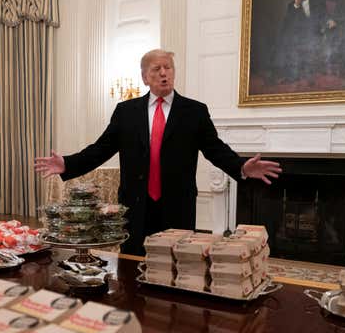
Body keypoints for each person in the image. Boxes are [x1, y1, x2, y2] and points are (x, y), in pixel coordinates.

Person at [36, 49, 281, 256]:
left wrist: (241, 167)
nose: (163, 73)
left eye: (168, 67)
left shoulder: (194, 111)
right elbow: (101, 149)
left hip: (177, 205)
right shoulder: (126, 111)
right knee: (133, 266)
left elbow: (215, 149)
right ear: (145, 77)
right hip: (136, 205)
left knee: (176, 264)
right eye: (156, 69)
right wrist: (67, 164)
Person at [273, 0, 339, 83]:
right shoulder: (292, 5)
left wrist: (329, 20)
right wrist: (297, 6)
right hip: (300, 35)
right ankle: (288, 74)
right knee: (286, 39)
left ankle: (303, 73)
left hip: (317, 31)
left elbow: (323, 14)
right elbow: (289, 25)